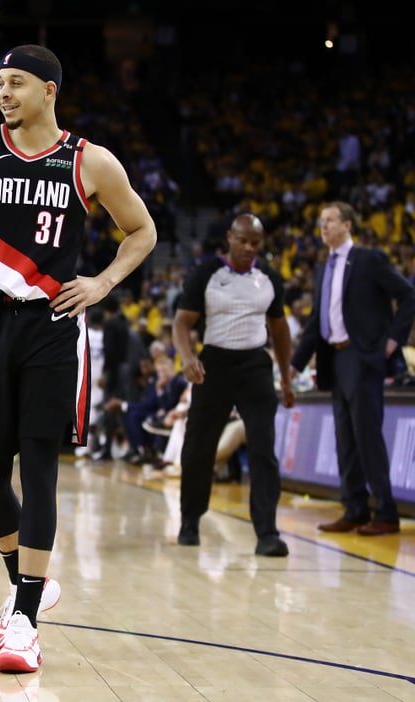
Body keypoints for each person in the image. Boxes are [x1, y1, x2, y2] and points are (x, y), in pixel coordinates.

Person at [0, 44, 156, 673]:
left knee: (39, 465)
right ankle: (27, 584)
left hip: (52, 325)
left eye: (16, 83)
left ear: (49, 90)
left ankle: (26, 622)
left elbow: (143, 230)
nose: (4, 93)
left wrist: (100, 282)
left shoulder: (89, 160)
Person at [290, 201, 415, 536]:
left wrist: (392, 342)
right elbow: (315, 325)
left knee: (367, 437)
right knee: (345, 439)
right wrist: (294, 365)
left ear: (348, 225)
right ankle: (356, 508)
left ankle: (387, 513)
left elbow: (410, 297)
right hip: (334, 359)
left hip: (362, 358)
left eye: (330, 220)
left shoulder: (368, 259)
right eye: (321, 221)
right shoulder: (324, 268)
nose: (324, 227)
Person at [172, 214, 296, 556]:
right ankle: (190, 520)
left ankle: (267, 532)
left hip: (255, 365)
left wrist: (285, 379)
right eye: (242, 240)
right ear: (230, 237)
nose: (248, 247)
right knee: (199, 446)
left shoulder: (269, 277)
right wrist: (187, 356)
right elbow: (182, 323)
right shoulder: (207, 273)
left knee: (263, 449)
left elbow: (280, 331)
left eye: (255, 242)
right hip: (214, 365)